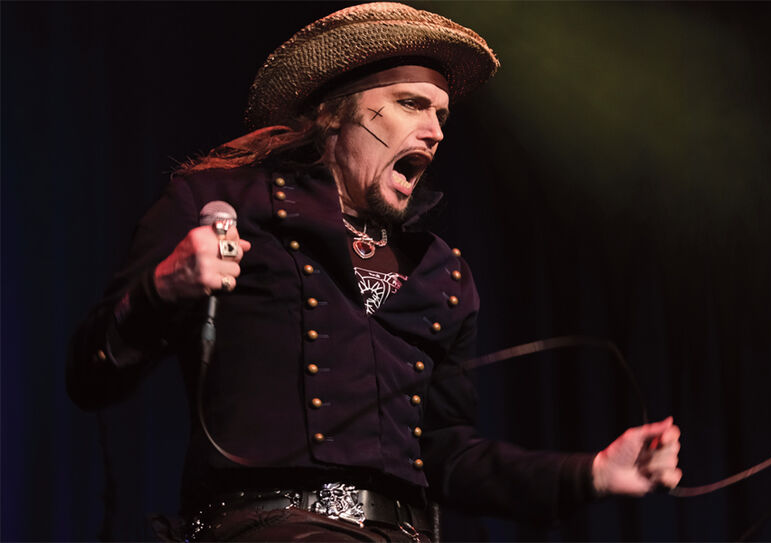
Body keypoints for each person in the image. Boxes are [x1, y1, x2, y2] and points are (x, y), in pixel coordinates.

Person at [67, 3, 681, 541]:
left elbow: (446, 455)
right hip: (262, 528)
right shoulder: (226, 204)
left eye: (441, 116)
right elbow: (88, 375)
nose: (434, 132)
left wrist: (592, 472)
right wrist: (161, 288)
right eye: (411, 105)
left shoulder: (441, 274)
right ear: (334, 113)